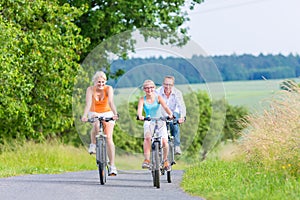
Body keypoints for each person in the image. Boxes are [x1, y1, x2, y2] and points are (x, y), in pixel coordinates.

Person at [81, 71, 119, 176]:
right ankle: (93, 144)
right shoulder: (90, 89)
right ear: (94, 82)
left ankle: (112, 166)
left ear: (105, 81)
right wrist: (84, 115)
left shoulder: (109, 89)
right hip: (94, 112)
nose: (101, 84)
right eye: (99, 82)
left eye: (103, 82)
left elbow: (111, 102)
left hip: (107, 112)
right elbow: (88, 103)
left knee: (109, 138)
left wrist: (115, 114)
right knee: (96, 124)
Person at [137, 80, 174, 170]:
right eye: (147, 88)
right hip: (149, 120)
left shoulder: (158, 98)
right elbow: (139, 110)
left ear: (154, 88)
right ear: (144, 89)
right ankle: (147, 160)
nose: (149, 90)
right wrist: (140, 116)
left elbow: (165, 107)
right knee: (147, 138)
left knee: (165, 141)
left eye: (151, 87)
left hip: (160, 120)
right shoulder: (142, 99)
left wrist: (170, 114)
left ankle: (165, 160)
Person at [157, 75, 186, 155]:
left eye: (170, 84)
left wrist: (182, 117)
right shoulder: (157, 92)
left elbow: (181, 106)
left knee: (174, 124)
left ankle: (177, 146)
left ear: (173, 85)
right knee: (159, 127)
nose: (167, 86)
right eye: (166, 84)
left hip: (173, 112)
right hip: (161, 112)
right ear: (163, 84)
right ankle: (158, 146)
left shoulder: (177, 93)